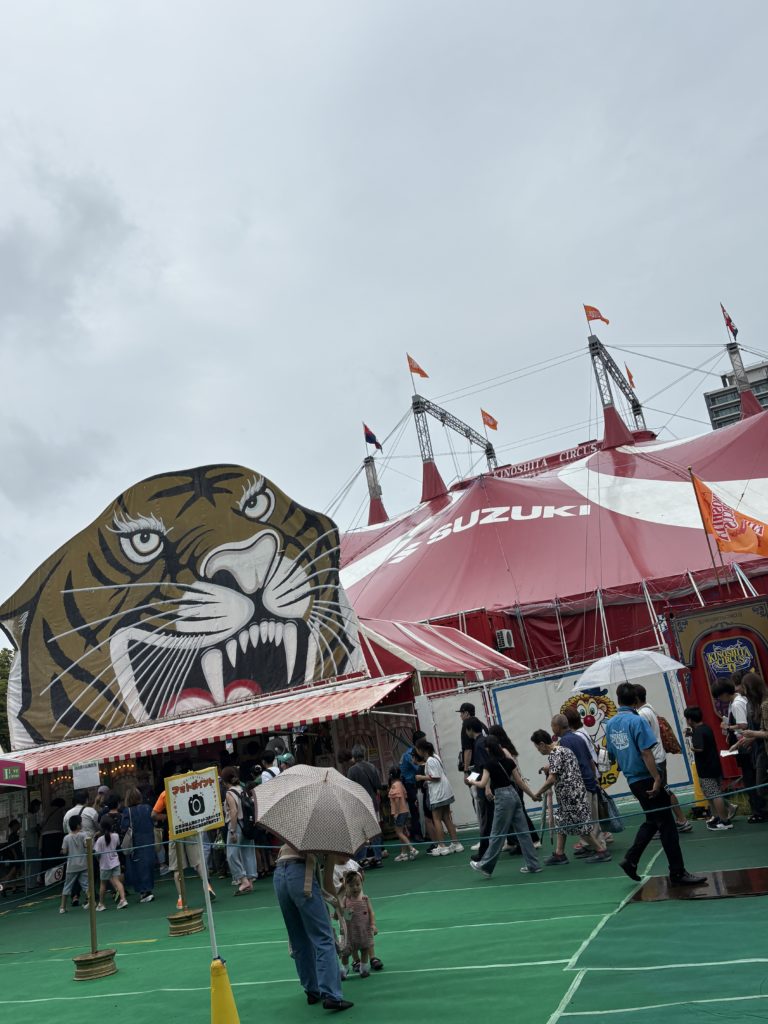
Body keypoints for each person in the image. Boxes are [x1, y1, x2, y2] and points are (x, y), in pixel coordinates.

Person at [604, 682, 705, 886]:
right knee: (667, 825)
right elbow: (646, 752)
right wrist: (657, 778)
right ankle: (677, 872)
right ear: (635, 700)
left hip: (632, 780)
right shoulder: (637, 720)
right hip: (647, 777)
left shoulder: (611, 724)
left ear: (618, 700)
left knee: (652, 819)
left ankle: (631, 860)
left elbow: (612, 755)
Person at [273, 843, 353, 1012]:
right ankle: (331, 995)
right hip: (302, 875)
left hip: (280, 874)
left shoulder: (299, 831)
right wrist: (340, 910)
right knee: (324, 938)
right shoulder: (328, 839)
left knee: (298, 938)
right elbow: (328, 884)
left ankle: (312, 990)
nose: (346, 859)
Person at [530, 731, 610, 864]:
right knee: (561, 823)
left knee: (581, 827)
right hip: (573, 795)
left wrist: (537, 794)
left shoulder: (555, 754)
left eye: (537, 747)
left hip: (571, 797)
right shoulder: (564, 750)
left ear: (542, 744)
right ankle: (559, 854)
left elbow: (551, 779)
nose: (538, 750)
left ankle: (601, 851)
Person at [467, 736, 540, 878]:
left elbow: (482, 783)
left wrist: (471, 781)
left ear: (488, 749)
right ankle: (534, 865)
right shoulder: (509, 761)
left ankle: (484, 865)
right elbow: (519, 781)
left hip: (502, 798)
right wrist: (532, 795)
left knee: (496, 834)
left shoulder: (489, 764)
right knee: (524, 833)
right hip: (514, 794)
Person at [634, 684, 692, 833]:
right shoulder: (649, 709)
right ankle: (680, 820)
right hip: (659, 755)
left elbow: (642, 741)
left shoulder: (641, 714)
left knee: (659, 791)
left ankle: (677, 821)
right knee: (663, 789)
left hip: (653, 757)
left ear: (636, 698)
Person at [152, 789, 216, 909]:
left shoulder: (165, 793)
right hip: (190, 828)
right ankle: (207, 886)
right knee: (198, 862)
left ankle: (181, 898)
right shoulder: (188, 789)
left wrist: (168, 816)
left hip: (175, 832)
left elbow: (154, 814)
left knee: (177, 868)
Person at [551, 713, 603, 856]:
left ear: (557, 727)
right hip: (589, 780)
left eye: (552, 726)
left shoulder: (563, 743)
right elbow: (590, 760)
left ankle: (600, 849)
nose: (552, 729)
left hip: (580, 784)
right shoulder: (579, 738)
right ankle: (591, 846)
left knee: (586, 820)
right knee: (592, 818)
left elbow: (564, 766)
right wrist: (594, 778)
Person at [683, 707, 734, 830]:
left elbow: (699, 748)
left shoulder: (698, 732)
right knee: (711, 794)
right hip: (714, 765)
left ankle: (724, 821)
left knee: (714, 794)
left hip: (706, 768)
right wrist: (692, 734)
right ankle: (717, 817)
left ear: (690, 720)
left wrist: (691, 748)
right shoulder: (706, 728)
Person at [414, 740, 463, 854]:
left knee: (436, 819)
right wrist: (427, 781)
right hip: (445, 791)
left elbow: (436, 777)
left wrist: (421, 777)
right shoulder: (435, 756)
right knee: (446, 817)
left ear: (421, 750)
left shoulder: (430, 760)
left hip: (438, 793)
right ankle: (456, 843)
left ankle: (442, 846)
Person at [735, 671, 768, 822]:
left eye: (744, 687)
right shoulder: (756, 704)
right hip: (761, 749)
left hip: (763, 750)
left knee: (761, 787)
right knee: (760, 786)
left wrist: (752, 734)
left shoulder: (764, 705)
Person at [221, 766, 257, 894]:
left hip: (236, 825)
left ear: (224, 780)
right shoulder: (242, 790)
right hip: (247, 825)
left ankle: (242, 879)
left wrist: (232, 830)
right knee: (248, 852)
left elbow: (234, 811)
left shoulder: (229, 793)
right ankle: (250, 880)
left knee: (231, 854)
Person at [337, 869, 378, 978]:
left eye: (357, 885)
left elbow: (371, 912)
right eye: (351, 886)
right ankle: (344, 969)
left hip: (363, 930)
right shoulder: (345, 899)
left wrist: (373, 925)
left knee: (365, 949)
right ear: (346, 887)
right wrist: (347, 912)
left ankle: (363, 968)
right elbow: (342, 916)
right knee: (345, 953)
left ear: (361, 884)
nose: (355, 888)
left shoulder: (365, 899)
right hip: (349, 932)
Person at [463, 716, 493, 860]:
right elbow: (481, 767)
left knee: (486, 819)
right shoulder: (483, 741)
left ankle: (484, 852)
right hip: (486, 783)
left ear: (469, 729)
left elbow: (485, 767)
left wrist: (486, 787)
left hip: (485, 786)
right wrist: (470, 779)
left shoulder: (479, 744)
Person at [348, 746, 383, 868]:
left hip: (359, 804)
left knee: (361, 833)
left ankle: (362, 859)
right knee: (375, 832)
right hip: (372, 802)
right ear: (364, 754)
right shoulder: (372, 767)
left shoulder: (352, 770)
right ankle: (378, 857)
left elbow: (350, 788)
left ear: (354, 756)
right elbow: (378, 785)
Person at [121, 787, 156, 902]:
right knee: (148, 865)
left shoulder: (127, 811)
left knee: (137, 867)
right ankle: (148, 889)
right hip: (149, 839)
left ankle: (144, 891)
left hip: (136, 841)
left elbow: (124, 827)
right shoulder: (147, 808)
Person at [93, 817, 128, 911]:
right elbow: (117, 845)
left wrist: (98, 860)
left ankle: (101, 904)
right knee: (117, 881)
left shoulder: (100, 840)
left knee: (103, 884)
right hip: (115, 862)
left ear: (101, 827)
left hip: (104, 865)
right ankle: (123, 900)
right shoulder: (116, 836)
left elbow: (96, 853)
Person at [399, 732, 426, 843]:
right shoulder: (410, 754)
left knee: (420, 809)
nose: (426, 742)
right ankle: (417, 834)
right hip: (410, 785)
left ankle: (423, 832)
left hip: (416, 784)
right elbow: (418, 767)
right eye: (424, 740)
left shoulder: (416, 752)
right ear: (418, 742)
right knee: (415, 810)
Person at [59, 815, 90, 914]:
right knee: (86, 885)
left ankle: (62, 907)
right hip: (83, 864)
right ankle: (91, 901)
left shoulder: (66, 837)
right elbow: (87, 845)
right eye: (80, 823)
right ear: (78, 825)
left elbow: (64, 851)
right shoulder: (84, 835)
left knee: (67, 886)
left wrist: (62, 851)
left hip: (71, 866)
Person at [387, 767, 417, 861]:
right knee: (402, 833)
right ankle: (403, 853)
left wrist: (396, 813)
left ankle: (412, 849)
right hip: (404, 810)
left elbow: (397, 800)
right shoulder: (400, 784)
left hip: (399, 812)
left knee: (399, 832)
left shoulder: (394, 786)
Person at [40, 797, 66, 871]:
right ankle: (57, 873)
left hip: (46, 835)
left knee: (47, 856)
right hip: (57, 834)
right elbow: (64, 822)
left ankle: (46, 874)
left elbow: (42, 822)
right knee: (57, 856)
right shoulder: (62, 810)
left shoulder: (46, 810)